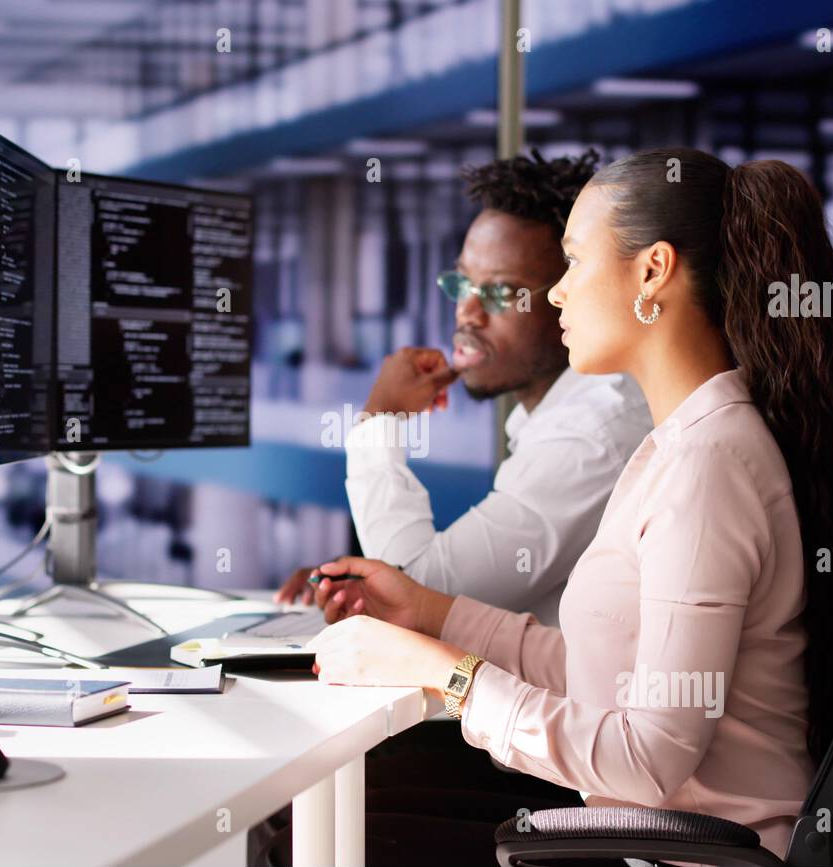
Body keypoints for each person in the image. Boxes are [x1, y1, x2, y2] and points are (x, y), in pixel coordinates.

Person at [269, 147, 833, 866]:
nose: (557, 294)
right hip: (653, 840)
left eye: (575, 263)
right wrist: (431, 617)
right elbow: (606, 673)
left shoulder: (708, 466)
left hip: (674, 854)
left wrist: (448, 673)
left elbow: (646, 759)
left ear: (652, 271)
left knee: (320, 844)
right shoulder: (682, 447)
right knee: (323, 830)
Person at [276, 148, 652, 627]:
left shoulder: (591, 434)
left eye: (498, 293)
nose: (467, 313)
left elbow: (418, 592)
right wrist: (358, 581)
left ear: (571, 292)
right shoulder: (563, 414)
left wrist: (380, 421)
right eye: (462, 284)